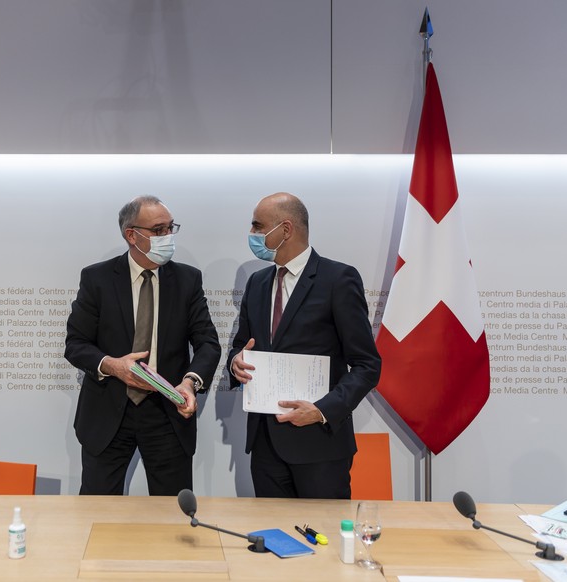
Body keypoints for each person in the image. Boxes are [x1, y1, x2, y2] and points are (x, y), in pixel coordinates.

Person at [228, 192, 381, 499]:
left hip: (319, 445)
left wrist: (322, 410)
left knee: (324, 541)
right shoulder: (257, 284)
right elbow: (240, 347)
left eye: (258, 227)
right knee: (274, 540)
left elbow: (367, 365)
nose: (252, 234)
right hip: (265, 445)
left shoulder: (338, 279)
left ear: (285, 229)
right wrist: (235, 363)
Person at [65, 195, 221, 496]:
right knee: (97, 509)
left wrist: (190, 383)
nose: (168, 237)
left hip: (167, 414)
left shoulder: (187, 280)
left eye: (170, 228)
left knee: (171, 513)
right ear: (131, 235)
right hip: (108, 413)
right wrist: (114, 365)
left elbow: (207, 343)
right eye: (159, 230)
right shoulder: (97, 279)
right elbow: (76, 344)